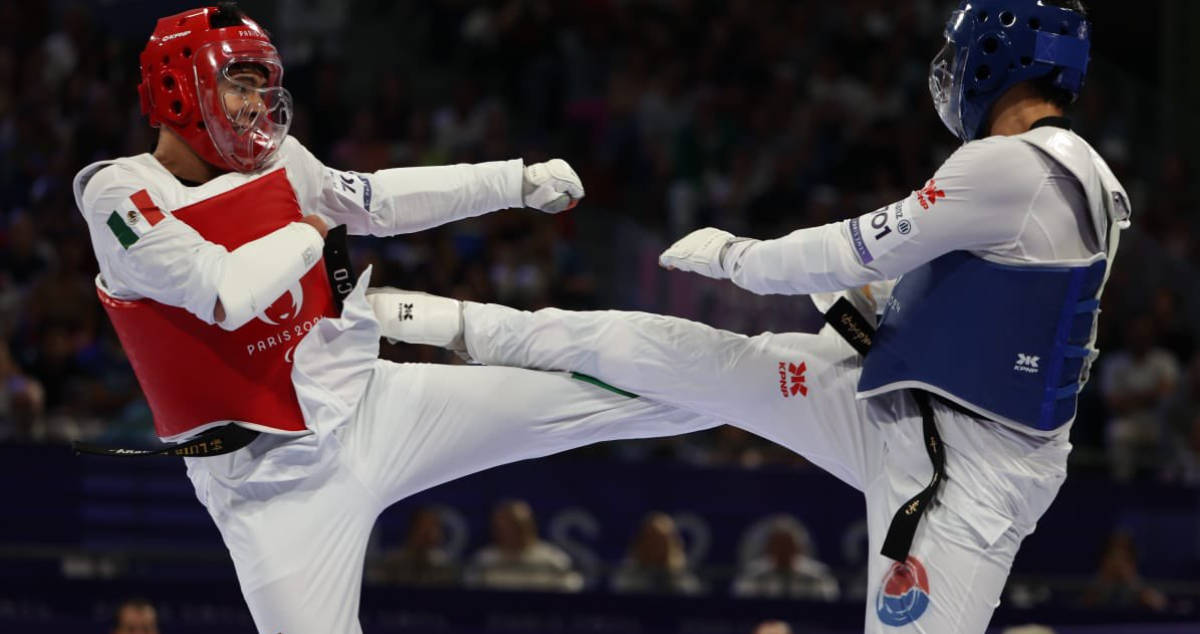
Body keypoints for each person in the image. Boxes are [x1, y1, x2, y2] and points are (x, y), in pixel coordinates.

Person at [381, 1, 1129, 631]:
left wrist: (736, 256)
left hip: (961, 477)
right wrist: (870, 311)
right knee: (686, 355)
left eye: (958, 53)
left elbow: (844, 252)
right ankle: (448, 321)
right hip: (902, 411)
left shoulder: (1011, 167)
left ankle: (452, 322)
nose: (949, 70)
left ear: (996, 57)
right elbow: (977, 313)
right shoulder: (1080, 178)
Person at [72, 4, 719, 632]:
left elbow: (377, 201)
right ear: (179, 89)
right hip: (267, 482)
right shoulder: (117, 194)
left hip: (372, 405)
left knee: (601, 398)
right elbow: (221, 289)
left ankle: (766, 380)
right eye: (238, 84)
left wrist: (513, 182)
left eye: (262, 87)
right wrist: (312, 229)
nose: (255, 106)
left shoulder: (284, 161)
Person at [464, 499, 582, 592]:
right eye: (505, 527)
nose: (511, 531)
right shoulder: (484, 559)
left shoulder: (552, 559)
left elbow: (572, 585)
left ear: (529, 526)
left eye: (516, 526)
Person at [732, 515, 839, 601]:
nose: (783, 550)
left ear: (798, 548)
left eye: (788, 545)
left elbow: (830, 606)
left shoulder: (817, 576)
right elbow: (740, 607)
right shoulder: (753, 575)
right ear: (769, 548)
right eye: (778, 545)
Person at [610, 511, 702, 595]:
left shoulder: (684, 580)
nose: (656, 547)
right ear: (641, 543)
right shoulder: (626, 578)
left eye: (662, 542)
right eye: (651, 540)